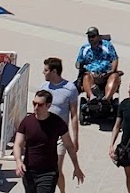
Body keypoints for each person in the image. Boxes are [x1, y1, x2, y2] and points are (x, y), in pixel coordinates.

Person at [14, 90, 84, 193]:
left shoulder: (57, 123)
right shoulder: (27, 122)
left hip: (48, 172)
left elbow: (69, 146)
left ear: (48, 105)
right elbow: (17, 144)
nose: (36, 107)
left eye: (40, 105)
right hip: (29, 172)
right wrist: (18, 161)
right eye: (34, 103)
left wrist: (76, 167)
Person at [41, 58, 80, 193]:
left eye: (46, 70)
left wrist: (75, 139)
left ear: (54, 71)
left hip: (60, 137)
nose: (43, 72)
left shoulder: (70, 89)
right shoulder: (43, 88)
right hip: (44, 135)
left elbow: (74, 116)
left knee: (56, 169)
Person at [75, 27, 120, 100]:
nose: (91, 39)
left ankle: (107, 99)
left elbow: (114, 59)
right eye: (89, 37)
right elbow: (78, 61)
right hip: (92, 75)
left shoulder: (107, 45)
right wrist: (79, 65)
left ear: (98, 36)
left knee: (115, 76)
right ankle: (92, 97)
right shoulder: (85, 48)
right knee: (86, 77)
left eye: (93, 36)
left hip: (106, 74)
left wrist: (111, 71)